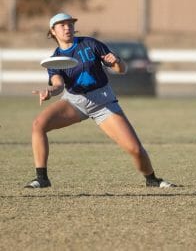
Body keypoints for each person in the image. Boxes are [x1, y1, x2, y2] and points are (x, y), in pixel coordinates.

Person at [25, 12, 176, 189]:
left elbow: (121, 69)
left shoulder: (90, 44)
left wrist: (117, 61)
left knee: (135, 149)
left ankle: (152, 180)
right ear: (52, 31)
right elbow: (58, 85)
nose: (67, 28)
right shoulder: (55, 59)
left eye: (70, 24)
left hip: (103, 101)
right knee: (38, 125)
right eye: (62, 25)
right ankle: (42, 178)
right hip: (75, 101)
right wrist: (50, 91)